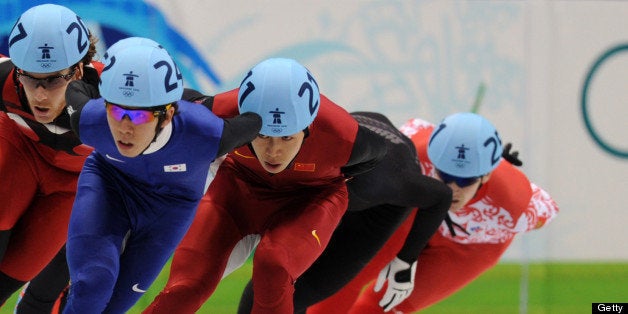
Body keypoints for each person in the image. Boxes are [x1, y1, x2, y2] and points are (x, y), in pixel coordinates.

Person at [143, 57, 389, 314]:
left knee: (274, 267)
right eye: (261, 135)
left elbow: (378, 152)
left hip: (310, 199)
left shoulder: (340, 133)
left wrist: (336, 177)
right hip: (238, 190)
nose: (274, 151)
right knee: (184, 287)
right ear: (243, 119)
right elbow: (171, 100)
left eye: (286, 137)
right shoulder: (221, 112)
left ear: (307, 127)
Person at [61, 40, 262, 313]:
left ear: (167, 116)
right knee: (91, 286)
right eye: (117, 111)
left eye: (140, 117)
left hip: (169, 209)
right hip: (109, 185)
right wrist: (93, 74)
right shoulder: (91, 121)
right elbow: (76, 88)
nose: (125, 129)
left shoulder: (205, 134)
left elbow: (255, 120)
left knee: (115, 306)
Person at [307, 112, 560, 314]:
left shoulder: (515, 205)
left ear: (486, 174)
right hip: (414, 216)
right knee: (341, 281)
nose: (452, 190)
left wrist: (500, 166)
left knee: (383, 305)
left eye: (465, 181)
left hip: (468, 248)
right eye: (445, 175)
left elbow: (549, 209)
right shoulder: (416, 148)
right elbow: (411, 127)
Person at [236, 111, 453, 313]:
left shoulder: (384, 184)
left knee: (299, 292)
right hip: (361, 131)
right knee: (269, 283)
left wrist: (405, 261)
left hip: (379, 205)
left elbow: (441, 196)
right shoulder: (287, 149)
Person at [0, 4, 103, 311]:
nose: (40, 95)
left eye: (54, 79)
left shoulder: (112, 97)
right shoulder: (4, 77)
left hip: (70, 187)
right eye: (30, 79)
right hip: (17, 155)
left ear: (80, 69)